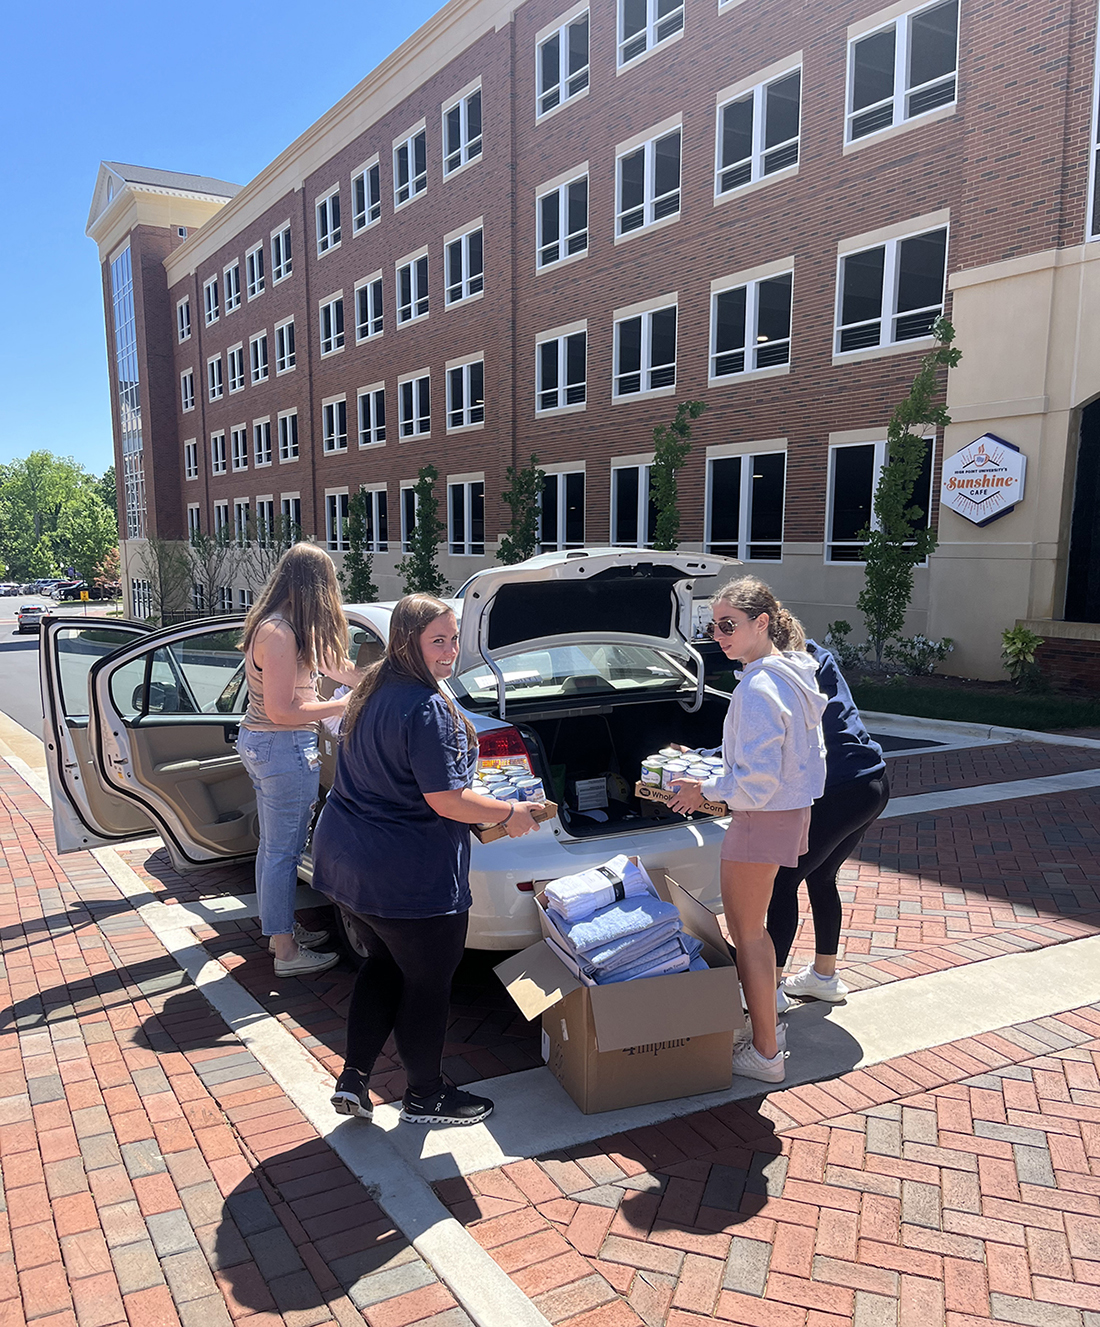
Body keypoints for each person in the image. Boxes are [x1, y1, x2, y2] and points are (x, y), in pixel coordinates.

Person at [311, 594, 542, 1127]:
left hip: (350, 865)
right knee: (428, 985)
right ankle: (425, 1096)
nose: (451, 650)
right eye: (438, 640)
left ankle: (354, 1078)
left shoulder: (370, 689)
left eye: (455, 638)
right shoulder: (426, 706)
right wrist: (512, 810)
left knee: (384, 964)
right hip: (408, 877)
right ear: (408, 641)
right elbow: (448, 800)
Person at [669, 577, 826, 1084]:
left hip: (760, 820)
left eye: (729, 624)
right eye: (712, 626)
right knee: (753, 933)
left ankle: (764, 1053)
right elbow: (775, 761)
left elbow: (756, 783)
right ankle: (767, 1033)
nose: (718, 634)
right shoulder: (790, 674)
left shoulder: (759, 686)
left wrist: (702, 790)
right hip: (785, 814)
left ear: (762, 623)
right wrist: (712, 764)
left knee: (748, 935)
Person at [237, 543, 360, 978]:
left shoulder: (287, 628)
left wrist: (386, 673)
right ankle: (286, 952)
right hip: (282, 746)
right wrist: (339, 707)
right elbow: (283, 712)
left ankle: (280, 932)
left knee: (274, 849)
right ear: (316, 587)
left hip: (267, 746)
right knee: (283, 852)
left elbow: (345, 671)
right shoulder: (281, 634)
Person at [768, 639, 889, 1005]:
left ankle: (768, 989)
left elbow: (765, 741)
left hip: (840, 789)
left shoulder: (781, 674)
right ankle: (823, 977)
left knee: (782, 879)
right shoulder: (816, 655)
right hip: (874, 783)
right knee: (820, 876)